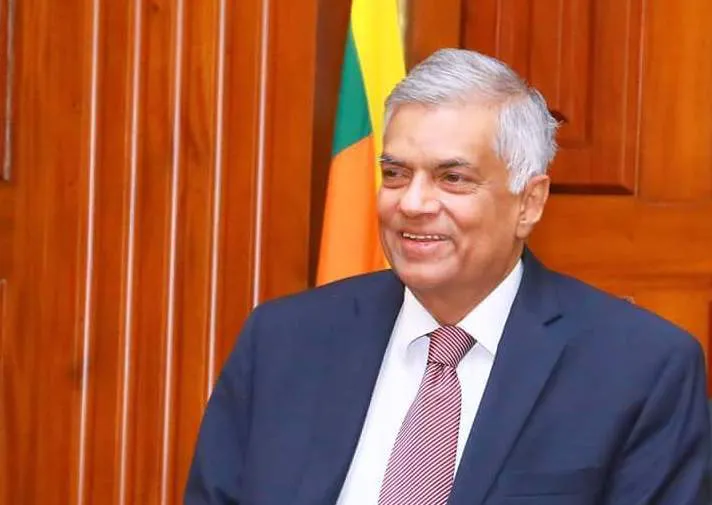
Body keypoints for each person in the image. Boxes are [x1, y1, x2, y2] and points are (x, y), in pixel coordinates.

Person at [185, 48, 710, 505]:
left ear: (529, 202)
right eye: (395, 174)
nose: (412, 204)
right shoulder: (282, 341)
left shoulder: (639, 368)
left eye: (452, 178)